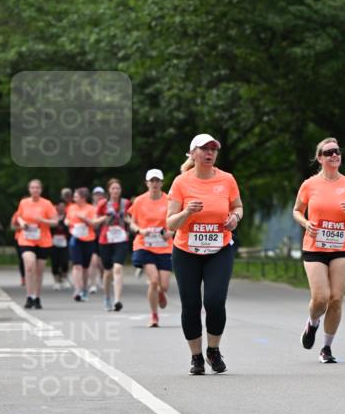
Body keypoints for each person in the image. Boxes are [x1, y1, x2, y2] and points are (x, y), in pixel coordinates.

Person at [167, 133, 242, 374]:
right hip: (186, 251)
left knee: (214, 301)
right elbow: (170, 223)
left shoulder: (227, 179)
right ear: (192, 154)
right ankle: (196, 356)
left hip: (219, 249)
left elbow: (237, 206)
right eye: (204, 149)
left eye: (213, 149)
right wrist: (187, 212)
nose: (209, 153)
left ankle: (213, 349)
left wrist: (235, 218)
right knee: (190, 304)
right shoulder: (181, 182)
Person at [292, 137, 345, 363]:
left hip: (342, 246)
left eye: (338, 152)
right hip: (315, 246)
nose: (335, 155)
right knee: (321, 298)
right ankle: (312, 323)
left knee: (336, 299)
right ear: (320, 158)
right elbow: (296, 211)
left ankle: (326, 347)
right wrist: (306, 223)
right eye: (329, 152)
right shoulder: (309, 184)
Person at [128, 169, 173, 328]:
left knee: (164, 286)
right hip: (144, 245)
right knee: (153, 281)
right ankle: (154, 316)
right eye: (151, 181)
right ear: (147, 183)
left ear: (161, 183)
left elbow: (176, 223)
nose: (154, 183)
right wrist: (141, 231)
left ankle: (161, 292)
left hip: (164, 246)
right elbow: (132, 223)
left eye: (157, 181)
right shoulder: (140, 201)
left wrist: (171, 232)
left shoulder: (170, 200)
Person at [11, 179, 58, 308]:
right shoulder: (24, 203)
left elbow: (55, 222)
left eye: (37, 188)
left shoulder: (47, 204)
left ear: (41, 190)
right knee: (29, 265)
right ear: (29, 189)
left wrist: (42, 220)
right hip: (26, 239)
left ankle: (37, 297)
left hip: (43, 240)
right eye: (32, 188)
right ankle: (29, 297)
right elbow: (18, 217)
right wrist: (22, 224)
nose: (35, 190)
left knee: (39, 270)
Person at [96, 178, 131, 312]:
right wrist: (105, 217)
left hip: (121, 239)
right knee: (107, 272)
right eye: (113, 188)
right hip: (105, 240)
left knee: (117, 268)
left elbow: (133, 218)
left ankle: (117, 300)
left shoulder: (126, 203)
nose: (115, 191)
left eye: (118, 188)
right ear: (109, 190)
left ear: (120, 190)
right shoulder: (103, 204)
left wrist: (127, 219)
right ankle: (107, 297)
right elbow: (95, 221)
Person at [65, 187, 97, 301]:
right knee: (77, 265)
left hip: (88, 239)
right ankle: (77, 290)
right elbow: (67, 220)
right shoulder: (71, 207)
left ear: (83, 198)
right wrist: (67, 222)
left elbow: (95, 224)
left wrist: (84, 219)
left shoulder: (91, 209)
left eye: (76, 196)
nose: (74, 198)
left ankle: (83, 289)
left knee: (85, 267)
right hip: (75, 239)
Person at [50, 188, 72, 289]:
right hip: (53, 242)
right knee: (55, 262)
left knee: (64, 261)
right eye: (60, 206)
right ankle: (56, 280)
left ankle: (64, 277)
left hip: (65, 242)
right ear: (56, 207)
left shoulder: (68, 217)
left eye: (63, 206)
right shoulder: (52, 217)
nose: (62, 208)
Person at [88, 186, 105, 294]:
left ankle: (102, 278)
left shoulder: (106, 208)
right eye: (96, 194)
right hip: (92, 237)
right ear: (93, 196)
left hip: (103, 237)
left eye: (100, 194)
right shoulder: (89, 208)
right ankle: (93, 284)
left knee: (102, 263)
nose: (98, 196)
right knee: (93, 261)